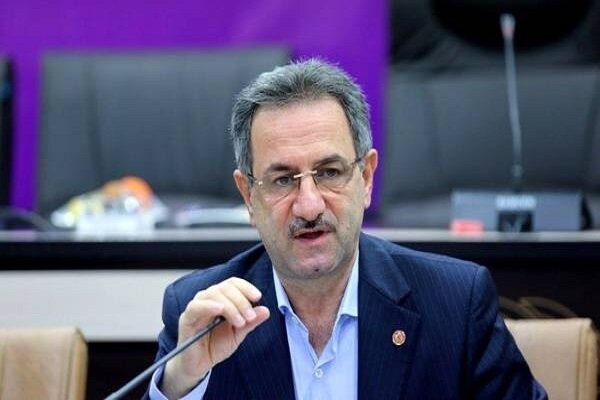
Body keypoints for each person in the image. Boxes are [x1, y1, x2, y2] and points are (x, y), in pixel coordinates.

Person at [147, 59, 547, 399]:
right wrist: (182, 382)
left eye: (329, 172)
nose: (309, 205)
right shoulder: (201, 318)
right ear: (249, 195)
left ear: (366, 178)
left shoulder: (455, 305)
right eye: (283, 180)